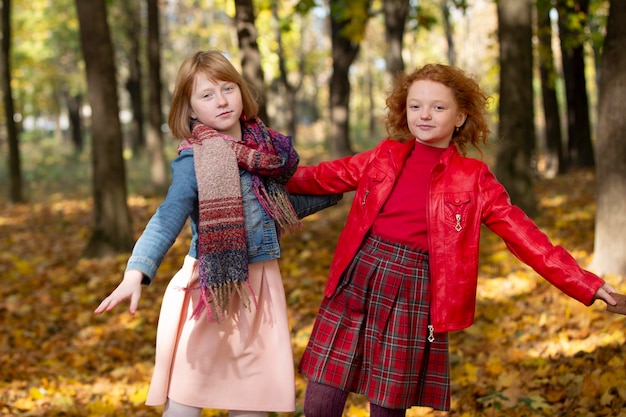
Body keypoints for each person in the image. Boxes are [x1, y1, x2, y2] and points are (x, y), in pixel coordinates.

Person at [284, 63, 621, 417]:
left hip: (413, 288)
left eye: (438, 107)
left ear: (460, 117)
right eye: (415, 106)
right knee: (323, 391)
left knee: (387, 403)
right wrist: (255, 165)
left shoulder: (473, 178)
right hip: (358, 275)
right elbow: (316, 178)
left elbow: (526, 238)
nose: (424, 115)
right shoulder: (383, 156)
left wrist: (587, 284)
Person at [93, 50, 340, 417]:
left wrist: (345, 185)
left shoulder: (265, 151)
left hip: (260, 289)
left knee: (252, 403)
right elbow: (169, 214)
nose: (221, 100)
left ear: (242, 93)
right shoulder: (195, 159)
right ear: (191, 109)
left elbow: (278, 207)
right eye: (206, 95)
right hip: (211, 289)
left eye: (228, 88)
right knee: (185, 403)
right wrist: (136, 271)